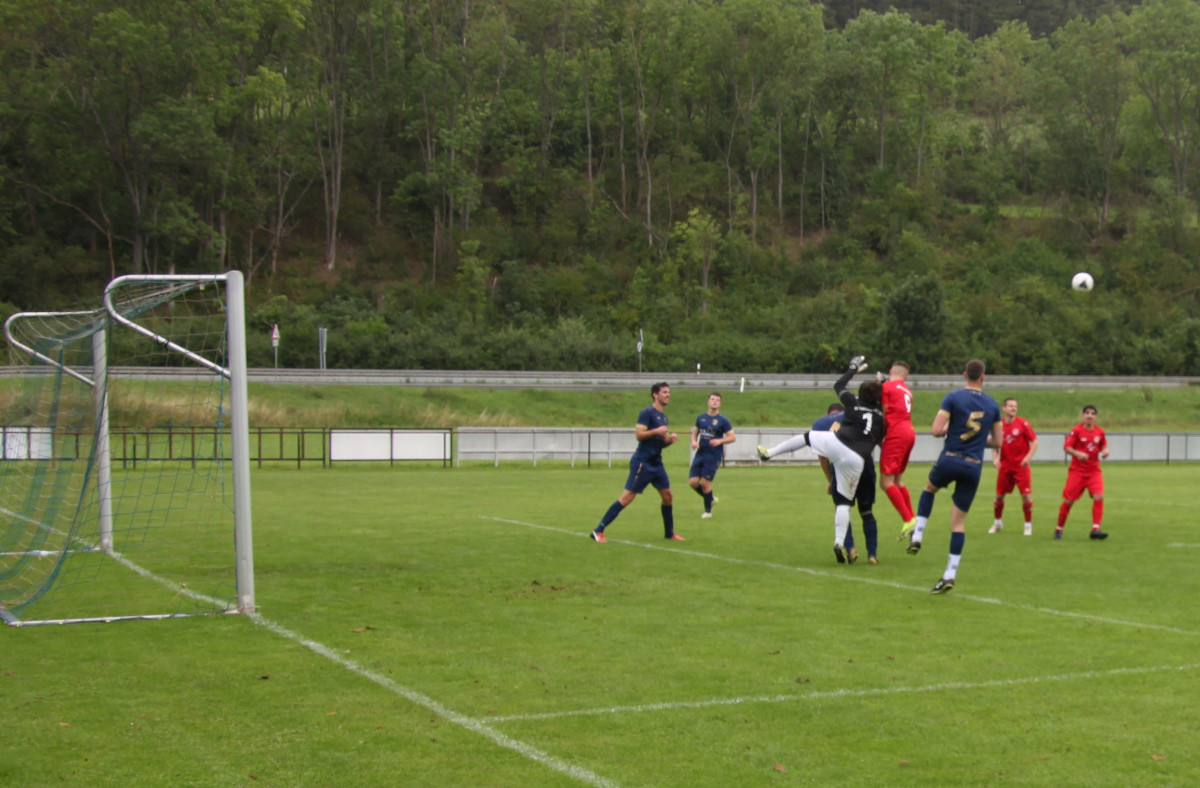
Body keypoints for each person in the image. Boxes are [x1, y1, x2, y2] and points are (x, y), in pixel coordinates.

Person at [756, 355, 884, 563]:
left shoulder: (852, 403)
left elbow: (839, 384)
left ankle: (770, 452)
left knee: (806, 437)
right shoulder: (881, 415)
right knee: (847, 504)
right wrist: (884, 384)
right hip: (858, 459)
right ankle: (843, 543)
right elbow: (880, 434)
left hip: (838, 443)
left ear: (859, 394)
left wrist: (853, 368)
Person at [905, 359, 1003, 595]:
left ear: (964, 375)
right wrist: (979, 442)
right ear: (983, 377)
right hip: (973, 465)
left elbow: (936, 430)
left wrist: (953, 430)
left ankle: (917, 535)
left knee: (929, 489)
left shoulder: (953, 397)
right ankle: (950, 574)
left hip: (950, 457)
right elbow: (998, 442)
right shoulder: (992, 404)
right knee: (958, 524)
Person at [590, 382, 684, 543]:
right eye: (664, 392)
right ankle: (598, 530)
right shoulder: (647, 412)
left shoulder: (663, 417)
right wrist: (656, 431)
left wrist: (669, 440)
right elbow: (639, 435)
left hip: (656, 464)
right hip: (643, 463)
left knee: (668, 495)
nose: (668, 395)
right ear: (655, 394)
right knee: (627, 498)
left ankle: (669, 533)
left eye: (669, 392)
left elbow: (659, 442)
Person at [811, 403, 880, 565]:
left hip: (842, 469)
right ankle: (872, 555)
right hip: (865, 465)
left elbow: (823, 457)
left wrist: (830, 480)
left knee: (842, 508)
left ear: (829, 414)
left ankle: (850, 549)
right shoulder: (859, 417)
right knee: (867, 511)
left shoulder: (823, 423)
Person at [1056, 405, 1109, 541]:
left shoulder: (1100, 432)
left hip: (1093, 471)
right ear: (1083, 416)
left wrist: (1105, 451)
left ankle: (1095, 529)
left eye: (1092, 414)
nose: (1090, 416)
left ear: (1096, 417)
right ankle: (1059, 529)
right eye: (1087, 413)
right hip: (1077, 472)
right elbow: (1066, 447)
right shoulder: (1076, 431)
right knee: (1069, 501)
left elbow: (1103, 445)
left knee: (1099, 496)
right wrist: (1077, 453)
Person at [989, 397, 1039, 536]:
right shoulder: (999, 425)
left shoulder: (1023, 423)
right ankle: (998, 523)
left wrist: (1028, 457)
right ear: (1004, 408)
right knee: (999, 496)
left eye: (1015, 406)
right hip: (1005, 466)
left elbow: (1034, 442)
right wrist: (995, 458)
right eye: (1010, 406)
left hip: (1021, 466)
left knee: (1025, 496)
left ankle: (1027, 526)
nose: (1013, 408)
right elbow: (995, 443)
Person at [878, 361, 917, 538]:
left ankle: (908, 519)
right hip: (909, 431)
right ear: (906, 376)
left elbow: (885, 413)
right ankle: (912, 518)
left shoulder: (886, 387)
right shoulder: (907, 390)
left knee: (885, 482)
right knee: (897, 480)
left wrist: (881, 436)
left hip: (896, 433)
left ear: (890, 371)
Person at [688, 392, 736, 519]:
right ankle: (710, 498)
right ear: (708, 402)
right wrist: (694, 442)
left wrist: (720, 441)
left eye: (717, 400)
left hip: (713, 455)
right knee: (692, 482)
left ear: (720, 403)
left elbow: (732, 437)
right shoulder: (701, 418)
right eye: (712, 399)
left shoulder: (723, 420)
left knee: (705, 482)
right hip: (701, 453)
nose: (715, 401)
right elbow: (695, 433)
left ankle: (708, 511)